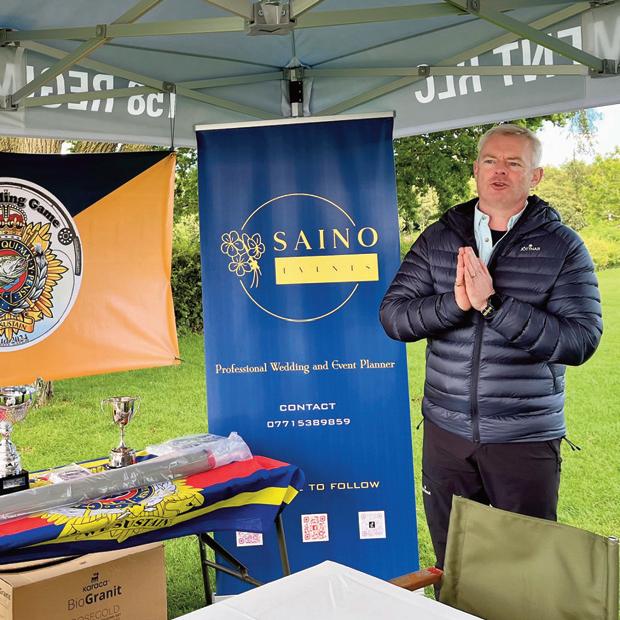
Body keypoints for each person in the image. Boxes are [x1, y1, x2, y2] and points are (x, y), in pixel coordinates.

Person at [379, 124, 602, 573]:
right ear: (476, 169)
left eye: (514, 163)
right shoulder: (440, 237)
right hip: (447, 436)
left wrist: (494, 306)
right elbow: (394, 317)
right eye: (490, 161)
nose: (499, 171)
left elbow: (579, 340)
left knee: (527, 568)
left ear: (535, 176)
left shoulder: (562, 246)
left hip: (524, 437)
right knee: (455, 564)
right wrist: (457, 303)